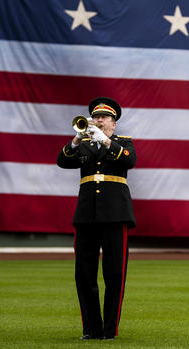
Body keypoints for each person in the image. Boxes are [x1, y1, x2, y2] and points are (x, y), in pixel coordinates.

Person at [56, 97, 136, 340]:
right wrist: (75, 140)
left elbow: (129, 160)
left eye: (104, 117)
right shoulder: (84, 144)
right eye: (96, 116)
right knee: (84, 274)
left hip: (115, 214)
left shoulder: (124, 142)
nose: (99, 120)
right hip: (87, 215)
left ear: (114, 122)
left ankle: (109, 331)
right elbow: (62, 161)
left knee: (114, 275)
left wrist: (107, 142)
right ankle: (91, 330)